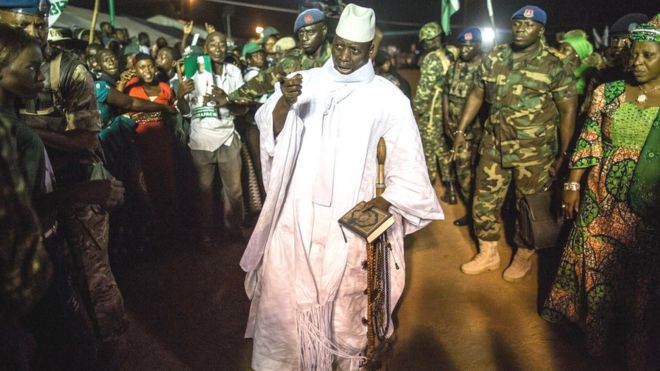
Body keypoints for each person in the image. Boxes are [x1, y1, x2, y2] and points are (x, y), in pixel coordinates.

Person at [241, 4, 443, 369]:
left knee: (344, 312)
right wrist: (285, 104)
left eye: (354, 49)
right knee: (284, 306)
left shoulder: (389, 98)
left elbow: (409, 167)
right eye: (339, 46)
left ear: (370, 51)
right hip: (296, 216)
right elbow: (268, 129)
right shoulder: (305, 81)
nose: (344, 56)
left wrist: (383, 207)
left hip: (348, 223)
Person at [0, 1, 130, 364]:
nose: (35, 35)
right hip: (29, 190)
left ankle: (112, 344)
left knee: (93, 275)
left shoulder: (67, 69)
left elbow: (86, 140)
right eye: (24, 27)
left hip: (76, 178)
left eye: (40, 26)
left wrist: (30, 132)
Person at [543, 15, 660, 370]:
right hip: (600, 198)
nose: (637, 62)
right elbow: (589, 138)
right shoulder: (606, 93)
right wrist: (573, 183)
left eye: (649, 56)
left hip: (647, 206)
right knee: (595, 268)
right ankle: (596, 336)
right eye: (634, 55)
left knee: (640, 278)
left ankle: (636, 346)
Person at [451, 5, 578, 281]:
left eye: (529, 25)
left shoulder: (554, 64)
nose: (521, 28)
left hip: (534, 153)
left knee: (529, 207)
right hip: (494, 146)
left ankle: (524, 255)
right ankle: (488, 253)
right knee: (483, 200)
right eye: (517, 23)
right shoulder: (496, 57)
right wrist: (461, 130)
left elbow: (568, 110)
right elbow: (476, 93)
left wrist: (564, 154)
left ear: (541, 30)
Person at [0, 23, 52, 370]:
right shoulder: (8, 132)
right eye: (31, 68)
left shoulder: (16, 120)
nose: (42, 77)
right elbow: (19, 212)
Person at [176, 32, 245, 244]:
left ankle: (233, 230)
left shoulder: (234, 71)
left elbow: (243, 107)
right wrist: (180, 95)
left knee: (234, 191)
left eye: (222, 44)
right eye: (213, 44)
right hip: (201, 141)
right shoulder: (192, 72)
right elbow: (185, 112)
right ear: (205, 48)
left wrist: (226, 102)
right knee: (204, 192)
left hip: (227, 138)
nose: (218, 47)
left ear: (227, 47)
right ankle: (205, 234)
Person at [225, 8, 331, 106]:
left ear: (324, 30)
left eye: (310, 32)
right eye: (301, 33)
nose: (304, 38)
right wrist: (228, 98)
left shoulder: (337, 59)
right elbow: (262, 82)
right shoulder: (292, 61)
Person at [123, 53, 178, 235]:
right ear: (135, 70)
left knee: (168, 188)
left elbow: (173, 112)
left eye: (150, 66)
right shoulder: (131, 90)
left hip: (163, 146)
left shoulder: (164, 88)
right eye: (142, 67)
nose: (147, 70)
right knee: (146, 190)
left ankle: (169, 231)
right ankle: (152, 234)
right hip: (141, 147)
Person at [413, 21, 457, 203]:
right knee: (443, 149)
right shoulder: (452, 52)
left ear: (430, 41)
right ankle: (451, 189)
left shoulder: (432, 59)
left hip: (433, 111)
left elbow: (424, 90)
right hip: (450, 110)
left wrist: (416, 111)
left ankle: (427, 192)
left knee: (429, 151)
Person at [444, 27, 484, 227]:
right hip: (453, 129)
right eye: (463, 46)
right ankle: (472, 211)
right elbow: (445, 93)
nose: (466, 50)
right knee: (461, 172)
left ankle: (474, 215)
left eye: (470, 46)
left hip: (471, 133)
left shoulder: (484, 67)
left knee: (468, 175)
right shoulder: (455, 65)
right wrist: (445, 120)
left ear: (478, 45)